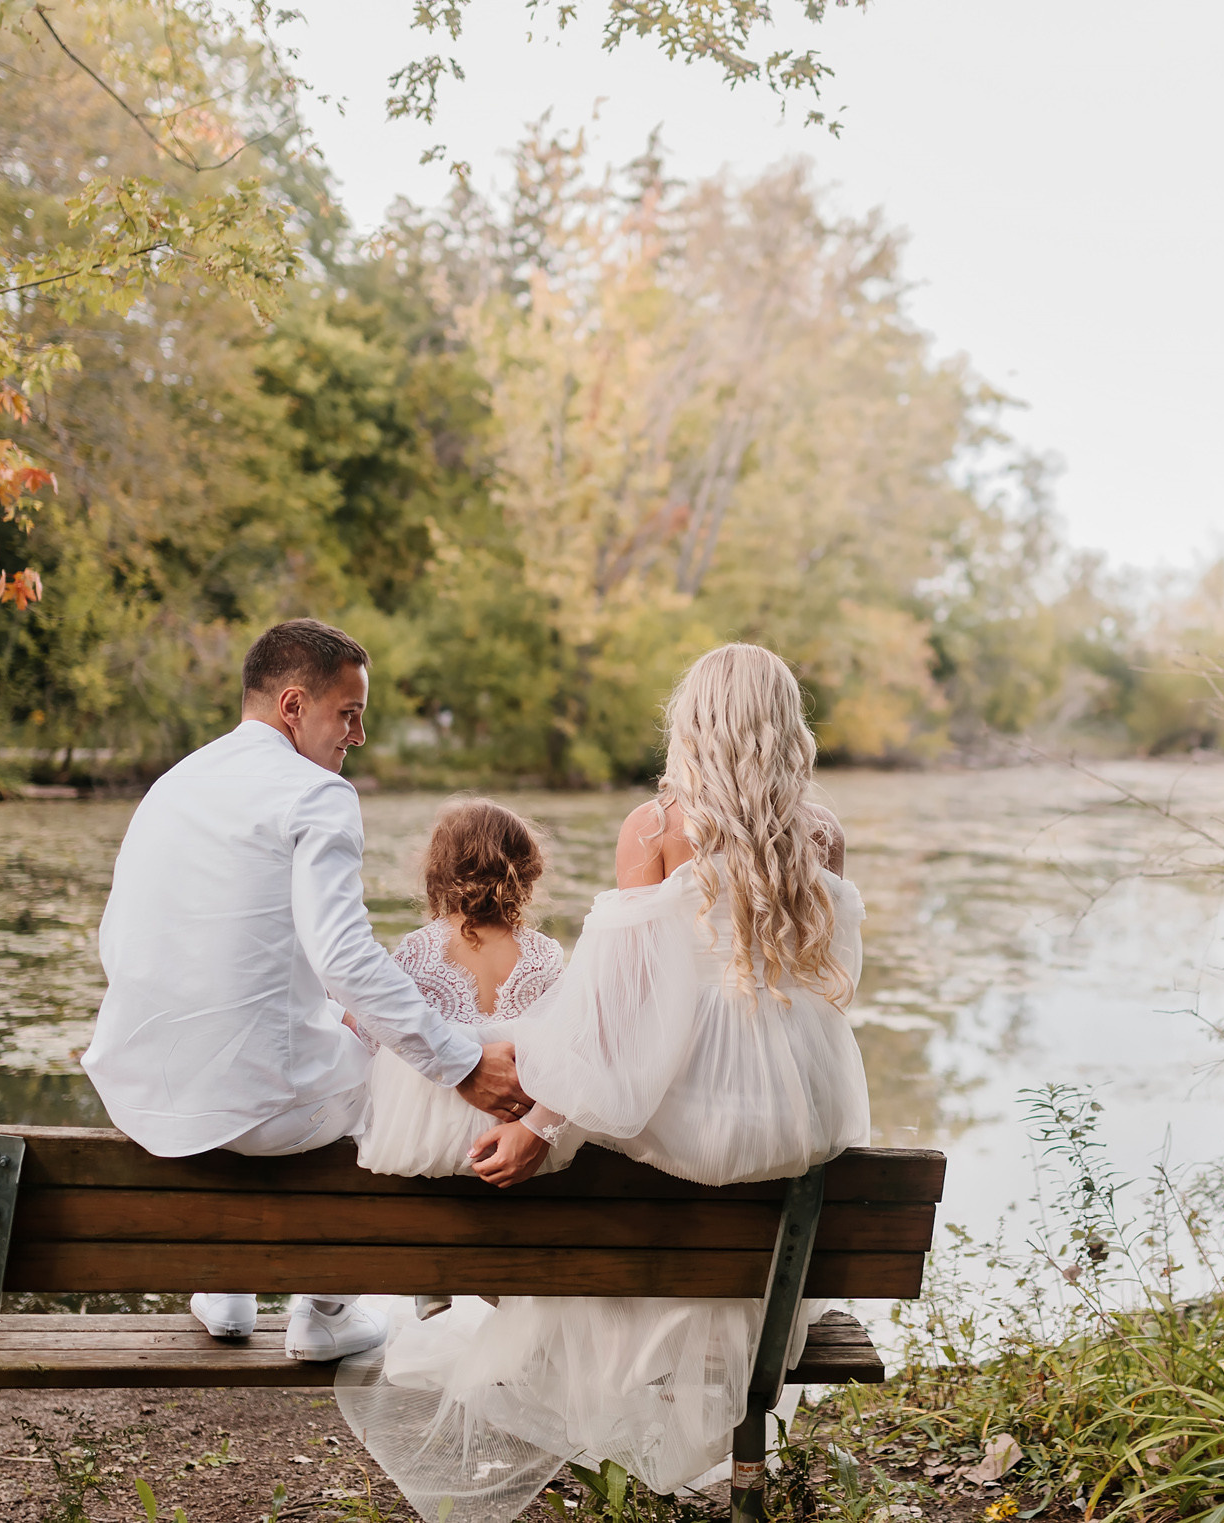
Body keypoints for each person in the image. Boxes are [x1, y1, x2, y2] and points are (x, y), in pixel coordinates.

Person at [336, 642, 868, 1523]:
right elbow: (827, 986)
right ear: (787, 726)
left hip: (693, 1130)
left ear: (690, 723)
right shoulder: (820, 833)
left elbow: (619, 1011)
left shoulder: (654, 830)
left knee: (577, 1113)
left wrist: (540, 1122)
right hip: (796, 1112)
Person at [82, 618, 531, 1360]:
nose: (356, 735)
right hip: (248, 1105)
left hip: (144, 1092)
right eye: (348, 713)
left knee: (324, 1031)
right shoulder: (317, 794)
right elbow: (344, 957)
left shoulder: (174, 782)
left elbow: (118, 936)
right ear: (294, 705)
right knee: (395, 1069)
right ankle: (324, 1307)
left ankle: (226, 1283)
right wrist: (457, 1061)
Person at [357, 797, 580, 1319]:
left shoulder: (417, 947)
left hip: (428, 1130)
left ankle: (435, 1271)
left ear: (438, 871)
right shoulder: (544, 953)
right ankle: (496, 1272)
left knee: (395, 1068)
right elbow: (567, 1037)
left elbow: (381, 1035)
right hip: (514, 1127)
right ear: (524, 872)